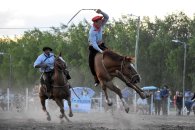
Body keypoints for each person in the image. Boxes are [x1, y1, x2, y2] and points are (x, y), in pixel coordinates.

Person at [88, 9, 109, 86]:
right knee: (91, 63)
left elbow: (107, 17)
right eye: (100, 22)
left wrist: (101, 12)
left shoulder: (101, 24)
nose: (102, 22)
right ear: (95, 22)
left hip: (101, 44)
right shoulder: (92, 32)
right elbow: (94, 44)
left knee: (111, 54)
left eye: (101, 21)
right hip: (93, 47)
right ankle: (96, 79)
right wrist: (101, 51)